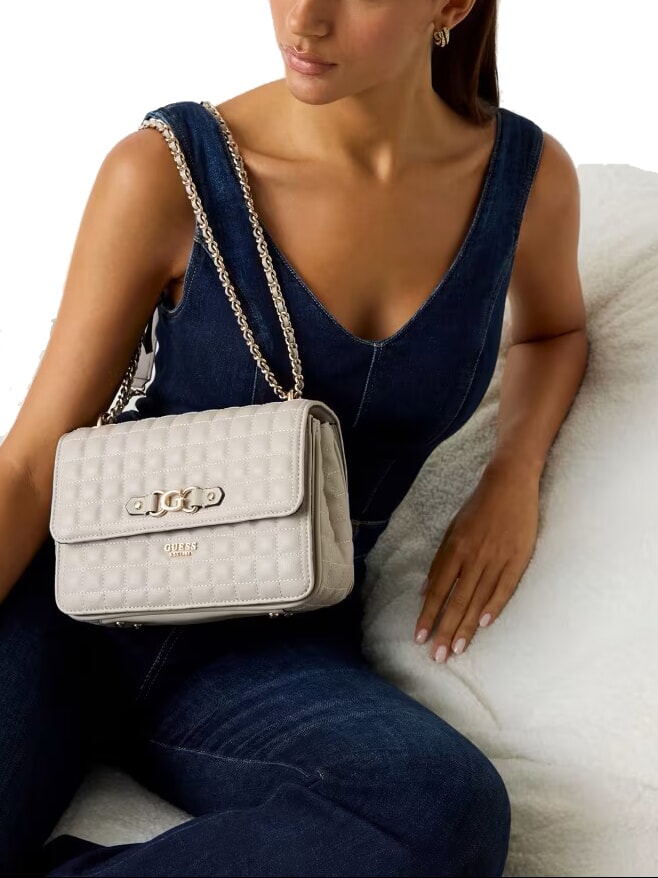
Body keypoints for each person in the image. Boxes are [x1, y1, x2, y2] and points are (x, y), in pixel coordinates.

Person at [0, 0, 588, 875]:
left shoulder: (523, 181)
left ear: (451, 6)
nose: (305, 19)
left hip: (269, 650)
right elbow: (28, 466)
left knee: (444, 808)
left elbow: (553, 332)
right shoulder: (166, 171)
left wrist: (512, 474)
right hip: (71, 610)